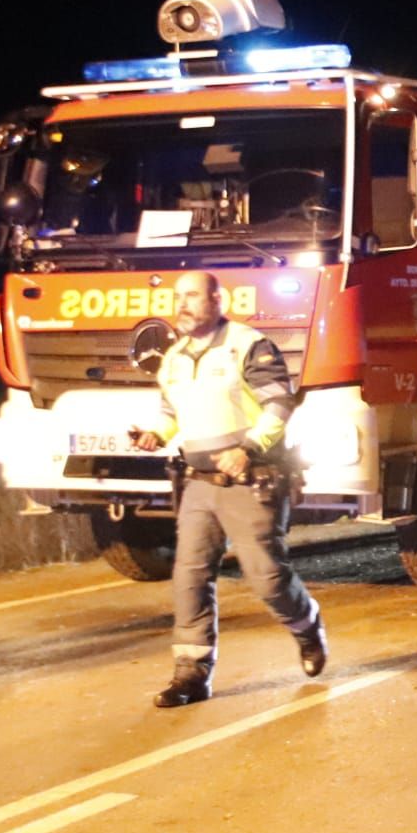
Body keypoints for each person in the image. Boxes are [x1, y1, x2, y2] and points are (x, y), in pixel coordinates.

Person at [131, 271, 326, 707]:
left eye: (193, 296)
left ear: (217, 300)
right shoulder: (175, 356)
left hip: (250, 478)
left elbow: (279, 403)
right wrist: (155, 434)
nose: (182, 305)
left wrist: (249, 447)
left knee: (266, 577)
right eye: (177, 297)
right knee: (190, 576)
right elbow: (171, 412)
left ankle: (306, 626)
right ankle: (191, 674)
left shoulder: (248, 344)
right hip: (198, 483)